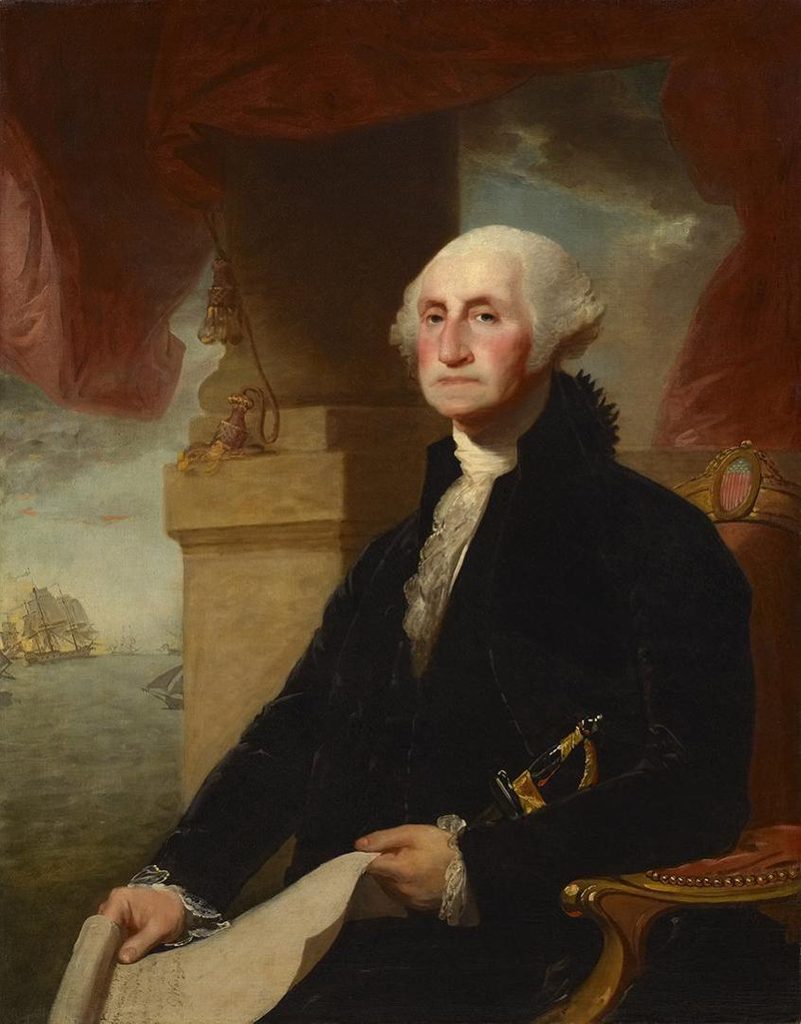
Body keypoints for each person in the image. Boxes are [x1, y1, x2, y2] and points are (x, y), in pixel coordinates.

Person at [99, 226, 754, 1022]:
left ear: (550, 338)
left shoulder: (647, 534)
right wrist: (179, 881)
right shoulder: (397, 552)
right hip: (357, 936)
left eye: (484, 317)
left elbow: (700, 786)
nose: (449, 347)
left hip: (547, 936)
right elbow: (300, 726)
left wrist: (473, 867)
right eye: (433, 319)